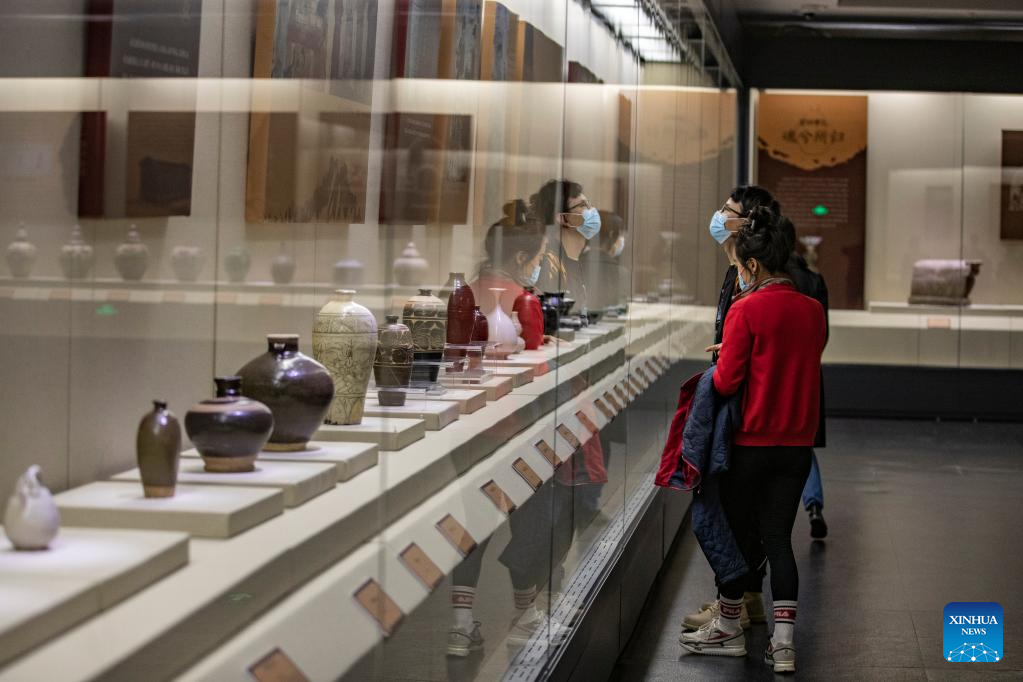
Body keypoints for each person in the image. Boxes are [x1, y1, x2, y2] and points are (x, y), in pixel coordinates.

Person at [679, 207, 826, 674]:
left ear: (753, 265)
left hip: (750, 445)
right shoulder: (812, 310)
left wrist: (728, 353)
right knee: (778, 540)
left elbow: (727, 382)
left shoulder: (744, 309)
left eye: (740, 265)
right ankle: (783, 645)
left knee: (737, 536)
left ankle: (727, 628)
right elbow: (791, 359)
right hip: (797, 447)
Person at [779, 217, 830, 539]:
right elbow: (823, 333)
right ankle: (813, 504)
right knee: (803, 445)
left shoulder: (773, 279)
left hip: (774, 373)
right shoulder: (814, 279)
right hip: (807, 373)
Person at [469, 199, 547, 350]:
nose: (539, 265)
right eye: (540, 257)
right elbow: (532, 349)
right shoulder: (526, 301)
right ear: (521, 258)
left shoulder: (466, 292)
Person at [531, 179, 601, 312]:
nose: (592, 210)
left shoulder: (577, 260)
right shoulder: (549, 262)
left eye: (589, 204)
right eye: (582, 205)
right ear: (562, 218)